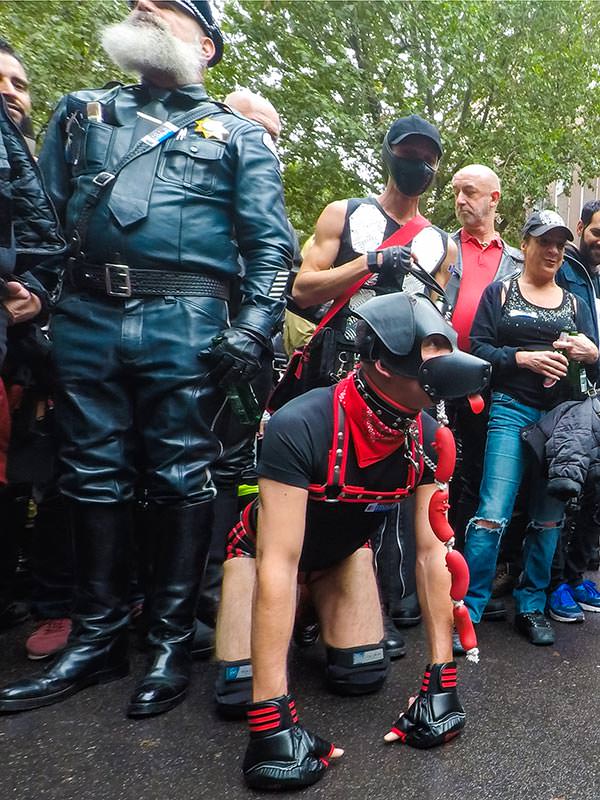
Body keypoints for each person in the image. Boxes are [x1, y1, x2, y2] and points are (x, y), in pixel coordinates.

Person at [0, 0, 293, 718]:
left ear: (208, 45)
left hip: (186, 313)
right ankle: (96, 636)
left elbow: (271, 247)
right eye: (139, 2)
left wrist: (253, 328)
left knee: (180, 476)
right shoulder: (79, 115)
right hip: (87, 315)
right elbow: (44, 226)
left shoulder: (234, 135)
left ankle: (166, 641)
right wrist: (37, 302)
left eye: (166, 6)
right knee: (89, 473)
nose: (143, 8)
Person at [220, 291, 490, 790]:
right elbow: (278, 563)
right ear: (385, 362)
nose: (447, 361)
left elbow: (433, 555)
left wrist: (442, 684)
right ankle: (285, 644)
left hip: (343, 558)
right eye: (432, 348)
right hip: (263, 557)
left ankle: (310, 623)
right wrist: (270, 725)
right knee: (239, 697)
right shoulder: (300, 424)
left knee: (362, 676)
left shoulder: (431, 437)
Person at [290, 115, 455, 640]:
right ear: (389, 154)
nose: (419, 165)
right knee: (320, 487)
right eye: (409, 153)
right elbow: (301, 290)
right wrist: (367, 262)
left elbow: (436, 317)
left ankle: (383, 600)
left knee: (393, 489)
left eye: (428, 158)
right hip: (334, 377)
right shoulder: (346, 213)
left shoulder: (440, 243)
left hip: (400, 386)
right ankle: (301, 596)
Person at [463, 210, 599, 646]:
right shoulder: (500, 292)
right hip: (509, 408)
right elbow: (477, 347)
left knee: (547, 518)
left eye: (560, 243)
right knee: (491, 513)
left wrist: (589, 353)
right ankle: (470, 606)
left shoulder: (576, 304)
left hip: (560, 420)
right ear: (525, 245)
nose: (554, 250)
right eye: (545, 241)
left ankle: (532, 604)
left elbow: (594, 365)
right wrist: (521, 358)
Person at [192, 88, 290, 657]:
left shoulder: (264, 198)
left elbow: (279, 272)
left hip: (248, 359)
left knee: (231, 472)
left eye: (274, 138)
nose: (266, 145)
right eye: (256, 129)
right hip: (188, 338)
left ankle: (212, 595)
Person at [0, 37, 65, 630]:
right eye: (1, 83)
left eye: (19, 84)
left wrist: (38, 297)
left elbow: (53, 248)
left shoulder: (34, 168)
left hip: (30, 349)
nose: (10, 94)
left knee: (34, 475)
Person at [447, 165, 524, 622]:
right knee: (438, 477)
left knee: (479, 478)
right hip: (437, 376)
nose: (461, 200)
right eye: (456, 192)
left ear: (494, 199)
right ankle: (429, 572)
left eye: (470, 192)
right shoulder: (441, 246)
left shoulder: (514, 259)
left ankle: (472, 575)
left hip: (491, 381)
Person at [547, 200, 600, 622]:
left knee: (597, 495)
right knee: (566, 491)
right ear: (581, 227)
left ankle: (576, 575)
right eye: (598, 232)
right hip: (568, 396)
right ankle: (553, 584)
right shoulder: (565, 269)